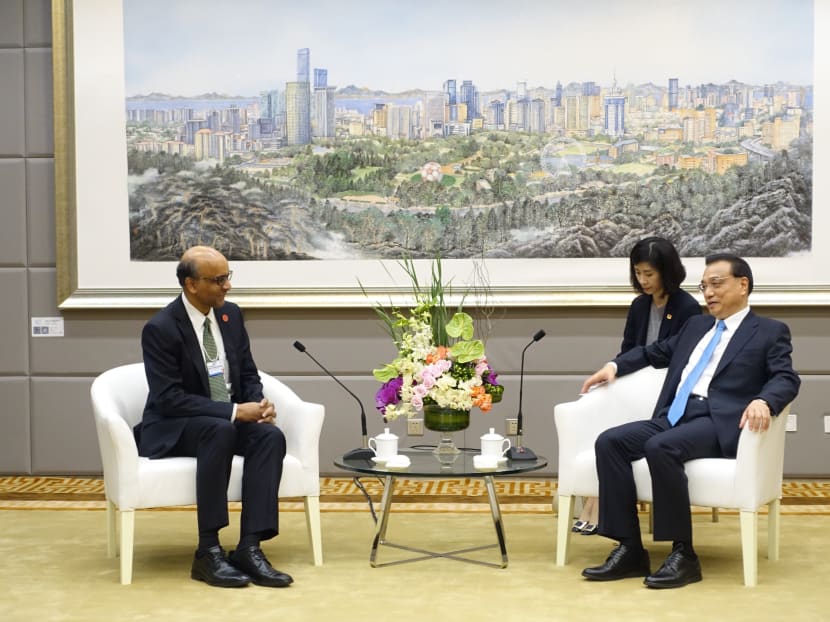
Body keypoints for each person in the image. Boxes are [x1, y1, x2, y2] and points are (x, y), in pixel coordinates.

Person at [579, 253, 800, 588]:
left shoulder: (768, 331)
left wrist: (763, 400)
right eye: (704, 286)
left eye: (716, 283)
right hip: (673, 415)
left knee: (659, 447)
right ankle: (629, 549)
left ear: (743, 285)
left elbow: (786, 378)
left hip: (716, 420)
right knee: (610, 442)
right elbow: (654, 352)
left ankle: (684, 555)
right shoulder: (696, 326)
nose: (708, 292)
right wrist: (613, 366)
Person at [136, 246, 293, 589]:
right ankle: (207, 551)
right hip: (175, 425)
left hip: (223, 420)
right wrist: (236, 411)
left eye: (228, 277)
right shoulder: (161, 328)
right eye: (218, 280)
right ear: (191, 285)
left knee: (270, 436)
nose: (227, 287)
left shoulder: (231, 316)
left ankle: (249, 548)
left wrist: (258, 404)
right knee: (219, 430)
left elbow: (248, 373)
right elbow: (169, 399)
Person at [573, 236, 701, 536]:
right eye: (638, 273)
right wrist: (616, 374)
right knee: (601, 406)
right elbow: (628, 349)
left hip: (665, 391)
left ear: (666, 271)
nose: (643, 280)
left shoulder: (688, 307)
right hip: (635, 382)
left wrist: (624, 368)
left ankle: (597, 502)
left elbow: (672, 353)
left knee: (616, 424)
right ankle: (595, 496)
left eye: (649, 274)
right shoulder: (639, 305)